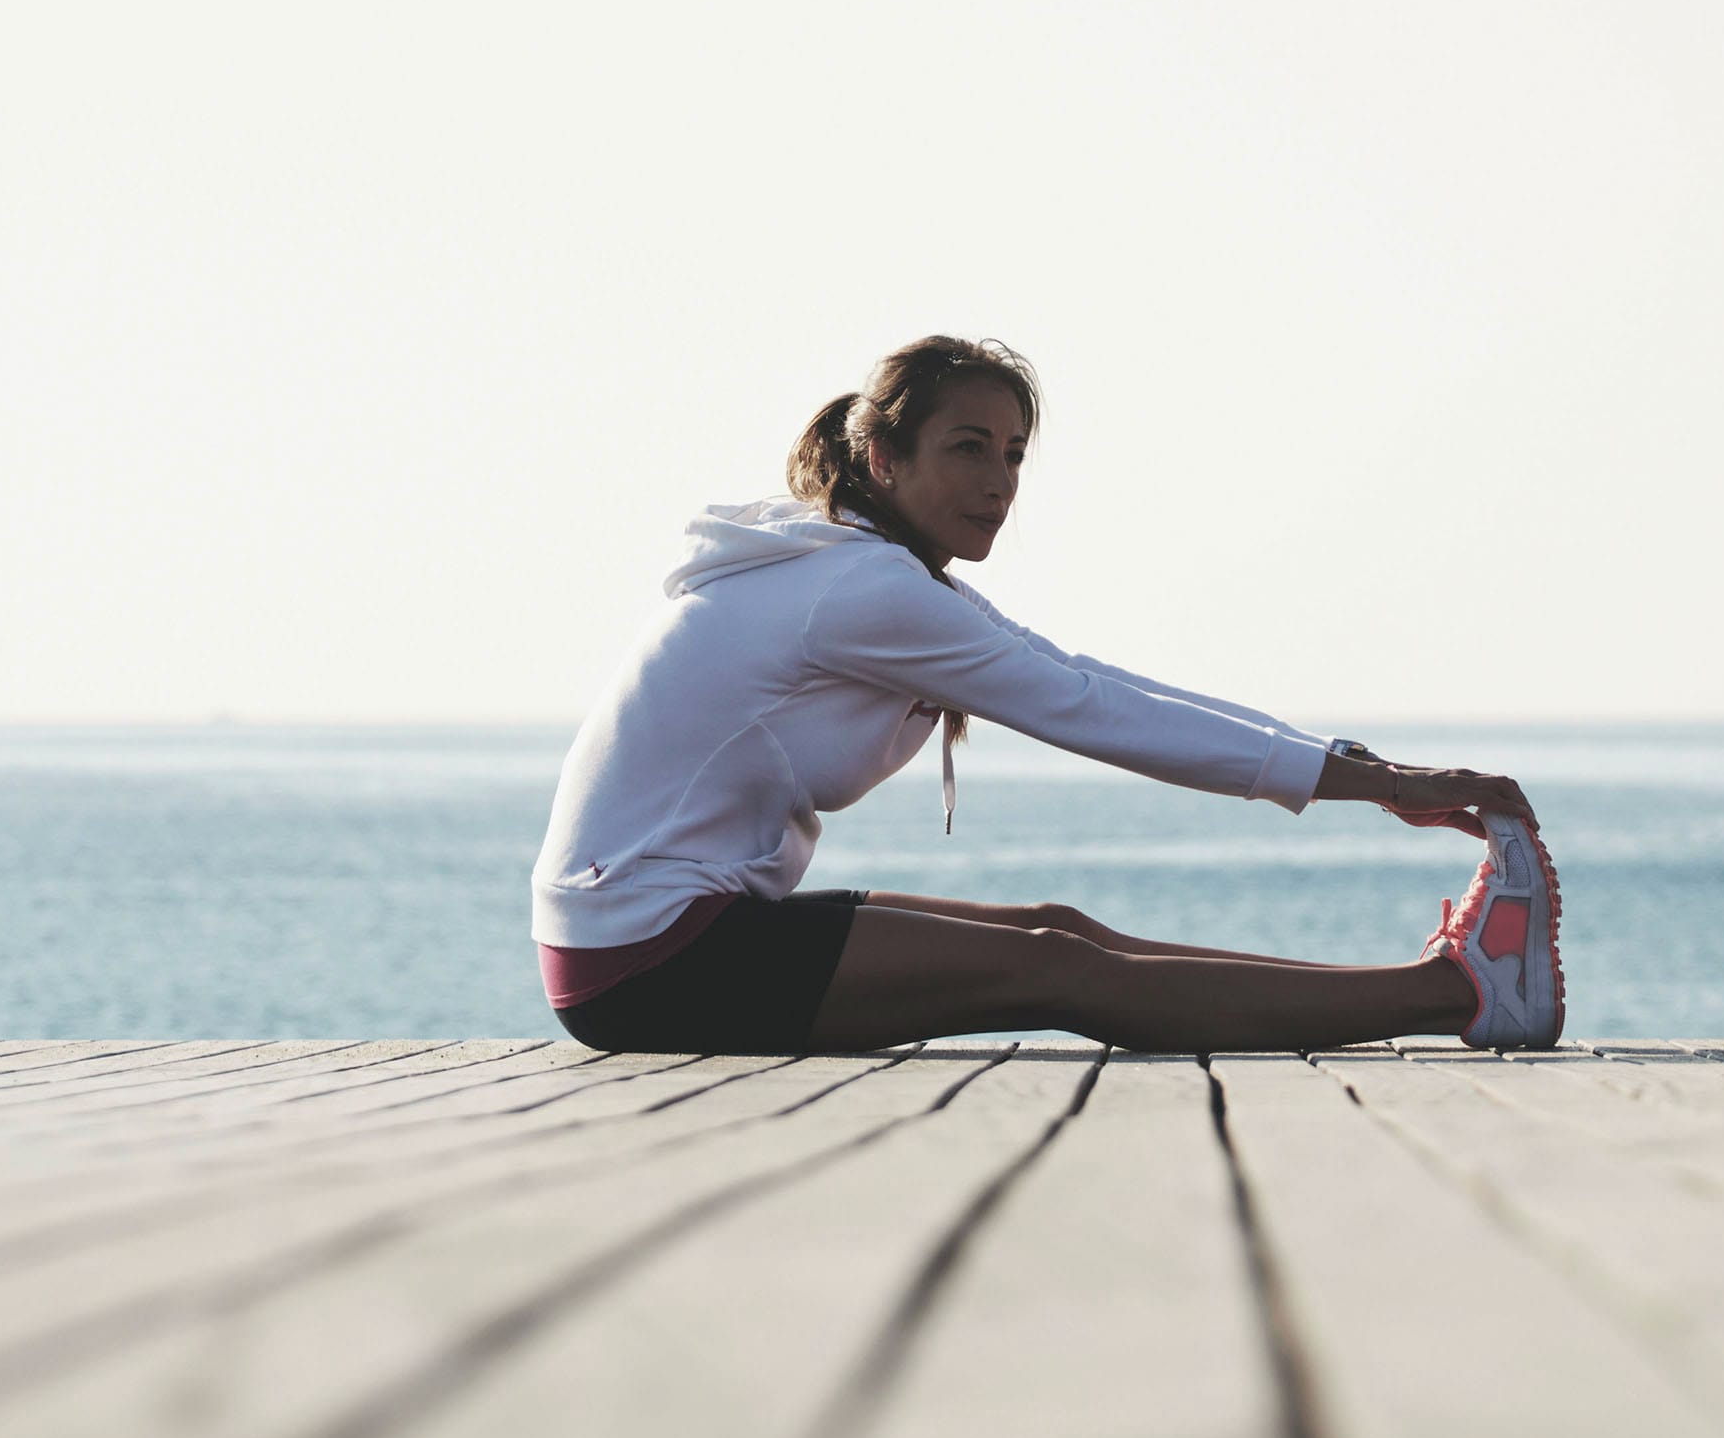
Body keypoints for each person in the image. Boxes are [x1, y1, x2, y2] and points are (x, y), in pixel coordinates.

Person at [529, 334, 1564, 1055]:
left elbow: (1092, 682)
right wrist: (1366, 782)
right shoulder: (855, 586)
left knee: (1059, 927)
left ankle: (1458, 986)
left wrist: (1358, 767)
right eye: (967, 449)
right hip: (652, 958)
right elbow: (1092, 709)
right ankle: (1457, 993)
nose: (999, 482)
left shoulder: (851, 572)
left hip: (651, 940)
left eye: (1014, 454)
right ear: (882, 458)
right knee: (1060, 968)